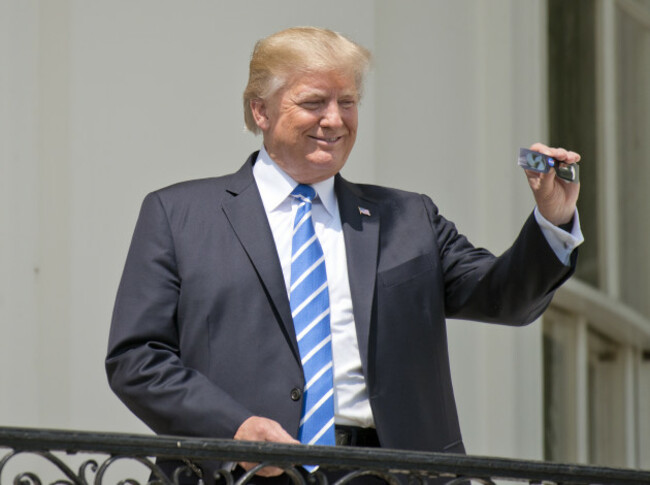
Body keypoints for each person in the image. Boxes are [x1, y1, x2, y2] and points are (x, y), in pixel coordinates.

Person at [106, 26, 583, 484]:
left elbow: (505, 298)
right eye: (313, 102)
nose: (334, 120)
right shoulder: (181, 214)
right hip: (242, 470)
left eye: (347, 103)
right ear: (260, 111)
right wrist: (233, 427)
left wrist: (552, 223)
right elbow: (137, 359)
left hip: (389, 471)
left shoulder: (407, 217)